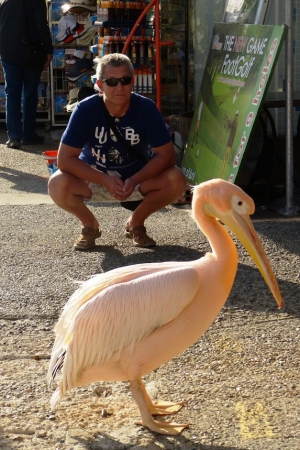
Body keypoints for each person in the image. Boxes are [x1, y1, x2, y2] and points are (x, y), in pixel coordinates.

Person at [48, 53, 186, 251]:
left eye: (125, 80)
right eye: (111, 81)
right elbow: (64, 160)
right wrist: (104, 179)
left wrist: (134, 180)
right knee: (57, 183)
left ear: (133, 82)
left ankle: (136, 223)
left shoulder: (146, 108)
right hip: (94, 177)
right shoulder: (85, 109)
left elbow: (167, 156)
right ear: (100, 85)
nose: (119, 87)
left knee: (176, 179)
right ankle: (90, 225)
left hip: (135, 178)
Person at [0, 0, 53, 149]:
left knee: (12, 94)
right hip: (32, 53)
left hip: (8, 53)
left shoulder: (6, 2)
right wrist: (49, 50)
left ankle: (14, 136)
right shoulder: (36, 2)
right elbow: (41, 26)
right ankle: (28, 134)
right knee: (30, 93)